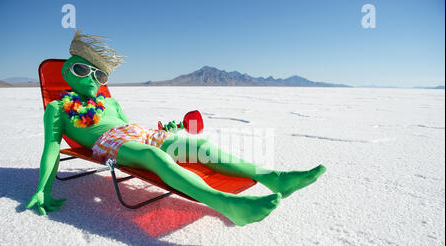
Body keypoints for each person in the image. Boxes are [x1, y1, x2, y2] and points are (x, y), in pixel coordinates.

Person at [27, 30, 326, 226]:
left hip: (135, 132)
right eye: (81, 70)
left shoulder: (111, 103)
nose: (92, 79)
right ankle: (227, 204)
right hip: (107, 142)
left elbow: (128, 124)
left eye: (100, 74)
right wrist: (43, 188)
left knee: (200, 148)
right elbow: (52, 147)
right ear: (68, 72)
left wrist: (161, 131)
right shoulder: (58, 108)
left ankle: (275, 178)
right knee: (155, 158)